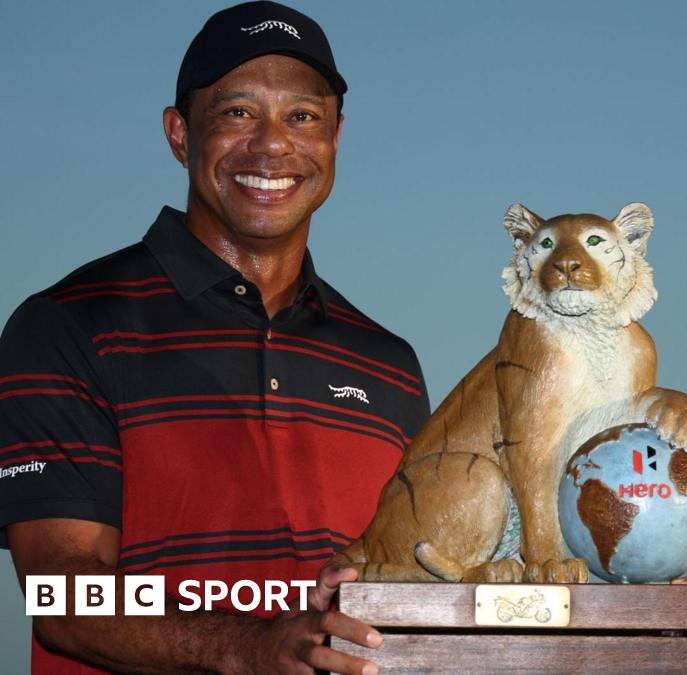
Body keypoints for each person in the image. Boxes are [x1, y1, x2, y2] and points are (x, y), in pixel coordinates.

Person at [0, 2, 430, 673]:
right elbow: (60, 591)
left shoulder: (390, 365)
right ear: (179, 133)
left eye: (302, 116)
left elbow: (421, 583)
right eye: (236, 112)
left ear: (336, 137)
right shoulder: (65, 323)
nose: (271, 143)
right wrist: (246, 646)